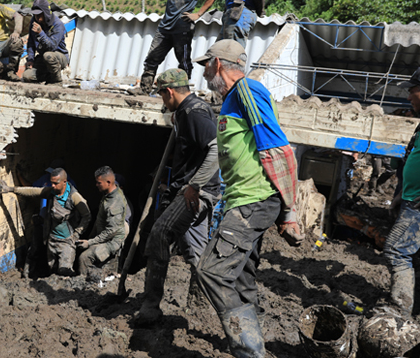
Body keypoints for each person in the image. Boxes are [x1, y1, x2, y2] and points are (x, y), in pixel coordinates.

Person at [192, 40, 300, 357]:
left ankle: (249, 351)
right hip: (243, 199)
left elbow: (278, 150)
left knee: (211, 272)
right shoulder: (233, 99)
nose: (204, 70)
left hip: (253, 201)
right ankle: (254, 347)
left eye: (206, 64)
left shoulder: (247, 92)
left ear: (219, 64)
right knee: (240, 279)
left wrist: (289, 210)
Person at [135, 68, 220, 325]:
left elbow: (215, 149)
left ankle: (151, 306)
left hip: (194, 193)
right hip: (193, 191)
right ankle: (208, 305)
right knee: (196, 254)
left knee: (160, 233)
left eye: (161, 95)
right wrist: (178, 121)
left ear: (169, 91)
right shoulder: (186, 113)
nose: (161, 100)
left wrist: (194, 186)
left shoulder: (194, 113)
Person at [129, 0, 216, 95]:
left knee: (183, 62)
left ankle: (183, 93)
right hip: (165, 26)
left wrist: (197, 14)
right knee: (152, 58)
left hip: (182, 27)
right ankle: (144, 89)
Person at [383, 67, 420, 316]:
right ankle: (418, 309)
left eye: (412, 92)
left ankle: (398, 312)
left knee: (396, 250)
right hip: (413, 198)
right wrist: (402, 193)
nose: (409, 97)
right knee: (417, 257)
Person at [3, 168, 91, 277]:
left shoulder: (74, 196)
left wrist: (77, 233)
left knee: (64, 271)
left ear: (64, 182)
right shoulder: (51, 192)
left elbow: (86, 215)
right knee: (52, 272)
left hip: (67, 242)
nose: (52, 185)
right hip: (52, 240)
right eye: (51, 182)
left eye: (55, 183)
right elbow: (33, 191)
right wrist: (11, 189)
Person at [77, 166, 130, 282]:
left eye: (98, 183)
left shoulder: (114, 203)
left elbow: (111, 231)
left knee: (85, 258)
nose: (96, 185)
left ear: (109, 182)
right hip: (104, 238)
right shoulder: (108, 195)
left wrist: (90, 242)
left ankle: (85, 287)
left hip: (111, 243)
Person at [22, 0, 69, 84]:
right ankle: (48, 77)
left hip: (58, 57)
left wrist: (41, 33)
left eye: (39, 14)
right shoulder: (34, 21)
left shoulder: (58, 25)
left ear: (46, 13)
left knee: (48, 55)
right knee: (27, 76)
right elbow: (31, 42)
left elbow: (52, 46)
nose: (37, 17)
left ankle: (56, 81)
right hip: (43, 58)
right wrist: (31, 59)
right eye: (35, 15)